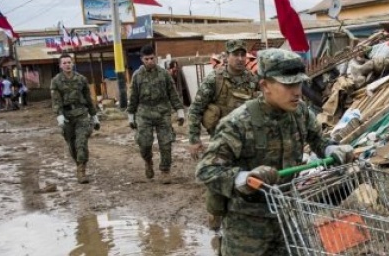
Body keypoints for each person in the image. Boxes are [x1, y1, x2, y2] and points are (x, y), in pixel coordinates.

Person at [197, 49, 354, 256]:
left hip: (287, 217)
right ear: (265, 86)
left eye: (299, 83)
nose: (297, 92)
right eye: (288, 85)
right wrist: (244, 178)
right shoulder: (239, 123)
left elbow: (318, 139)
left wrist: (331, 148)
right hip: (247, 226)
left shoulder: (300, 114)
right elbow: (207, 170)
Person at [187, 39, 259, 234]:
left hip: (247, 142)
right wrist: (194, 140)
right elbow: (195, 110)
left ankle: (242, 224)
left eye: (243, 54)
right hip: (221, 141)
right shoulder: (215, 80)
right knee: (217, 182)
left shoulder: (252, 80)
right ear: (226, 56)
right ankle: (215, 224)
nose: (240, 58)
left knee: (247, 181)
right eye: (236, 54)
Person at [128, 45, 186, 184]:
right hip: (144, 113)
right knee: (144, 142)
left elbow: (173, 93)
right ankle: (148, 161)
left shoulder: (164, 74)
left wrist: (180, 111)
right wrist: (131, 115)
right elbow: (134, 97)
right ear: (142, 59)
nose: (149, 61)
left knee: (166, 143)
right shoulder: (137, 75)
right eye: (146, 59)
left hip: (162, 112)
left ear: (155, 57)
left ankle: (165, 170)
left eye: (152, 58)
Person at [51, 53, 100, 184]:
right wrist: (59, 116)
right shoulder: (56, 81)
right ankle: (78, 163)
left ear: (73, 63)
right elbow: (56, 101)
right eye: (64, 63)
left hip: (81, 114)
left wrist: (94, 116)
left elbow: (88, 98)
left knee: (81, 143)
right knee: (72, 146)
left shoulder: (81, 79)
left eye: (69, 62)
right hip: (67, 117)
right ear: (60, 65)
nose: (67, 65)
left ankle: (81, 171)